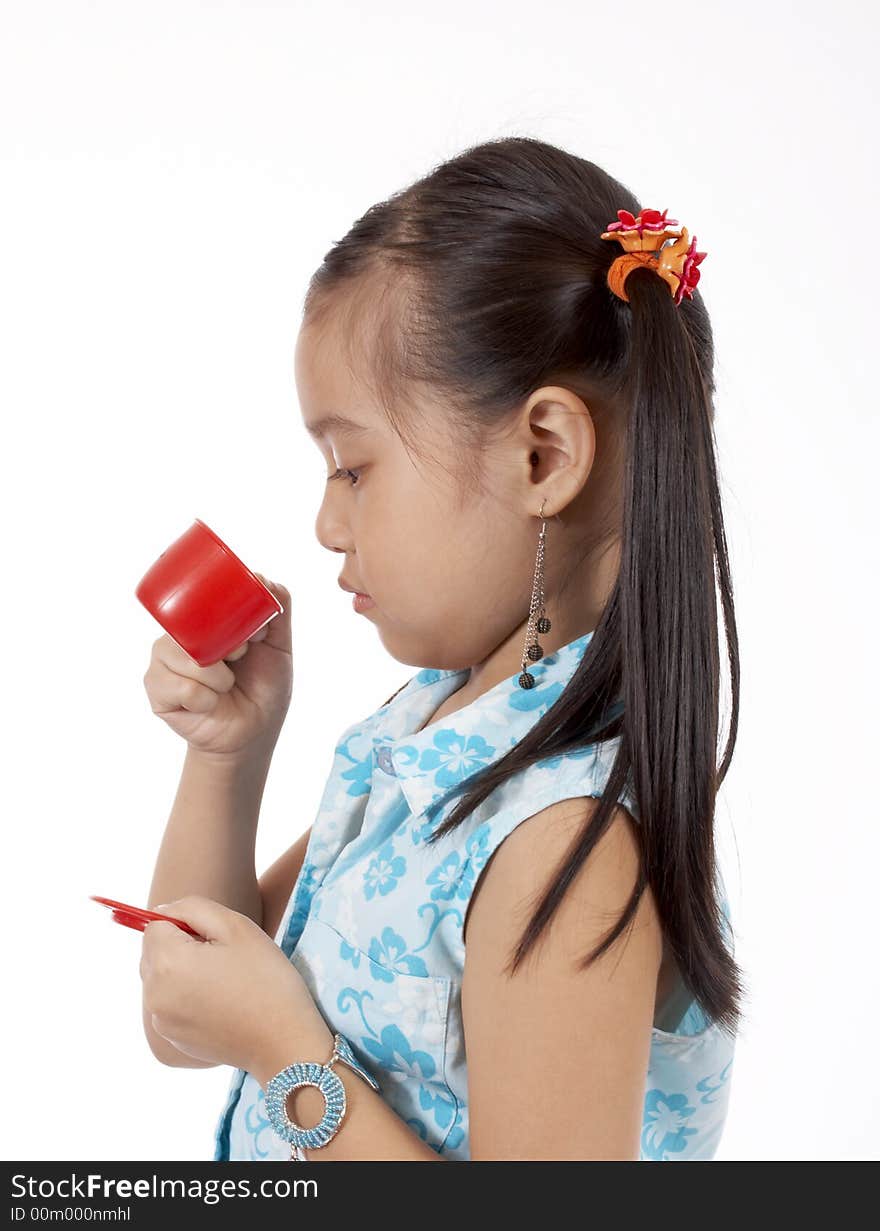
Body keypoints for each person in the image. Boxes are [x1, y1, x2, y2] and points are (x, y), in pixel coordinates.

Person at [139, 136, 745, 1162]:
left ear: (540, 455)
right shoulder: (424, 737)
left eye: (352, 467)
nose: (328, 525)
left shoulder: (567, 851)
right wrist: (225, 755)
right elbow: (183, 1013)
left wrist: (290, 1056)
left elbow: (251, 1031)